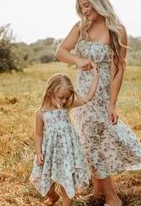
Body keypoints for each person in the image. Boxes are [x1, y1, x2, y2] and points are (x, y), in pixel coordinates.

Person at [55, 0, 141, 206]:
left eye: (88, 5)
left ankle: (112, 198)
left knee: (95, 144)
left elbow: (118, 69)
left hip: (101, 96)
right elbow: (61, 51)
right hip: (82, 95)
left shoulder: (117, 31)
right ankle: (100, 193)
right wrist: (77, 60)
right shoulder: (81, 27)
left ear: (99, 3)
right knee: (88, 141)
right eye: (81, 6)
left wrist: (112, 104)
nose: (84, 10)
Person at [29, 66, 100, 206]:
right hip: (49, 152)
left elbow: (88, 98)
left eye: (67, 97)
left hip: (66, 153)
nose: (63, 101)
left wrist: (95, 77)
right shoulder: (41, 113)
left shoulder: (66, 106)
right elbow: (38, 135)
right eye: (61, 97)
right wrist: (38, 153)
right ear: (50, 93)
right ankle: (53, 196)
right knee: (47, 184)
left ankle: (66, 203)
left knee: (65, 180)